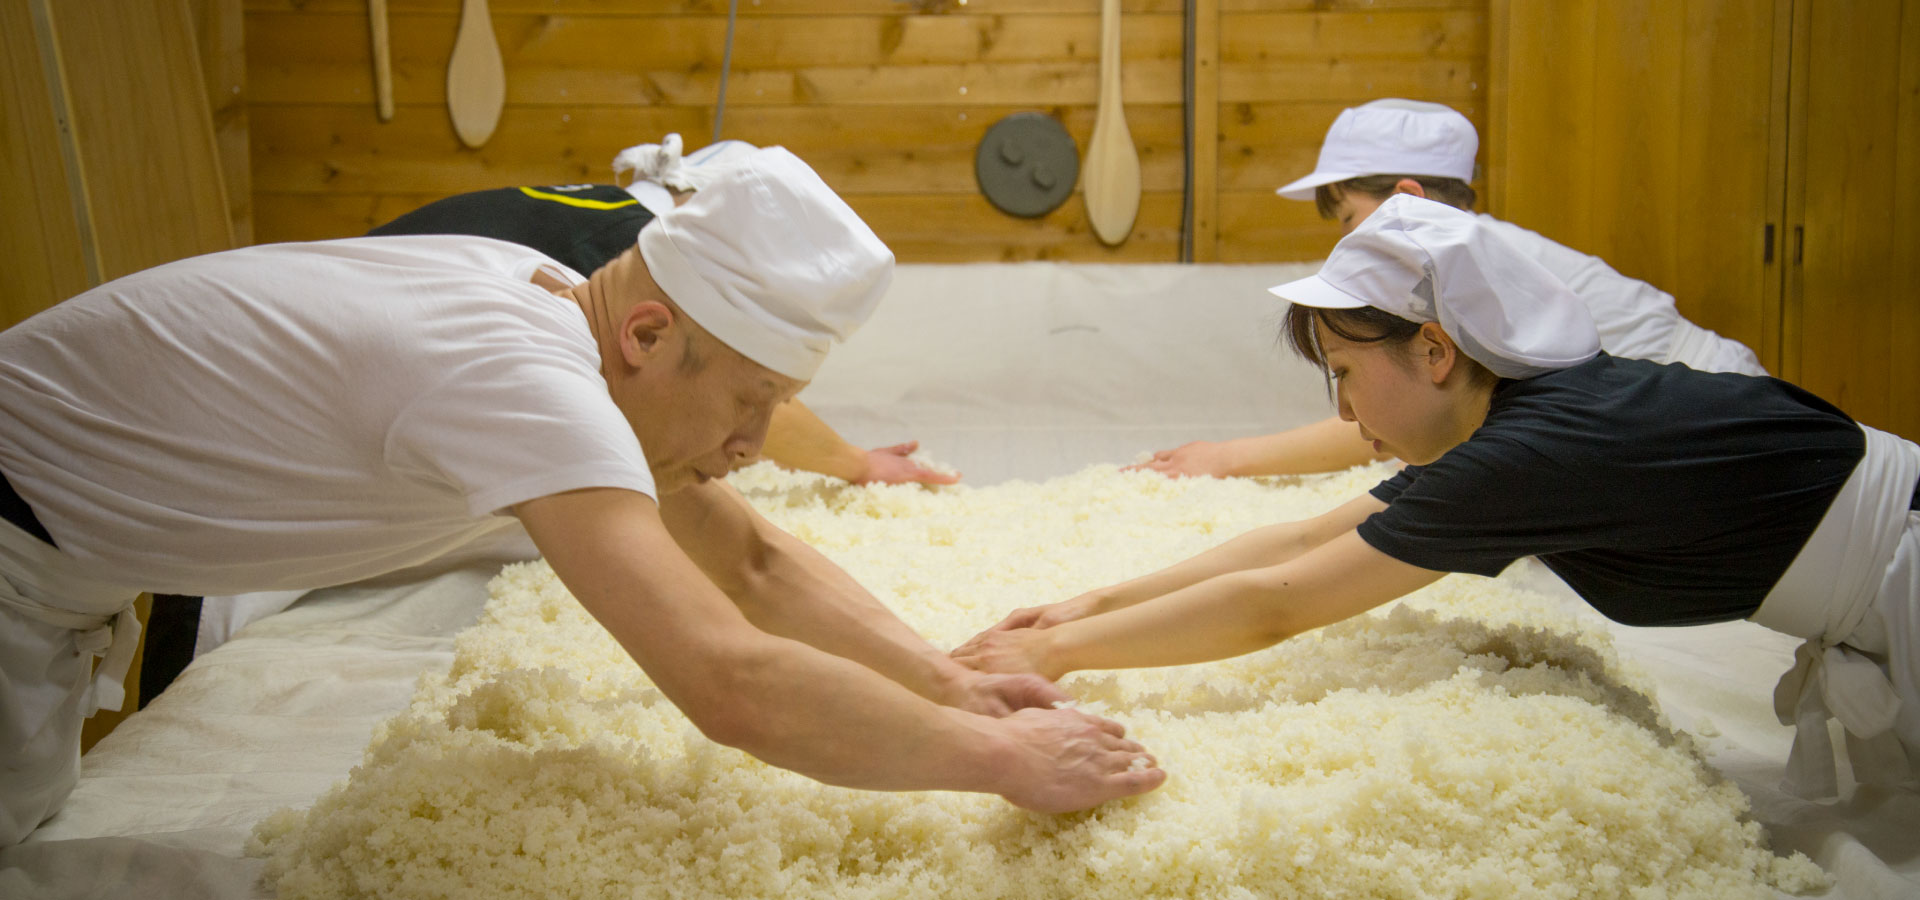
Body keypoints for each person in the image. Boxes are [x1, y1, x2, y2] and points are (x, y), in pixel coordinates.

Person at [0, 147, 1163, 847]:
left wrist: (956, 684)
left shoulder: (554, 305)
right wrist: (1003, 764)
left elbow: (748, 561)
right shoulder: (520, 377)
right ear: (651, 334)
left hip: (60, 564)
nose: (759, 444)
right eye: (751, 401)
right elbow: (730, 680)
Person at [955, 194, 1918, 800]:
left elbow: (1277, 608)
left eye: (1342, 370)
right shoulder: (1523, 426)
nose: (1341, 408)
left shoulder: (1531, 454)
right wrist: (1091, 604)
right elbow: (1299, 539)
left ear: (1435, 349)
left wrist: (1051, 655)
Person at [1135, 99, 1769, 480]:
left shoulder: (1458, 268)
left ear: (1407, 198)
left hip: (1723, 423)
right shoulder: (1466, 253)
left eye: (1349, 218)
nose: (1343, 244)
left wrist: (1227, 457)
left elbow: (1397, 409)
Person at [369, 133, 959, 488]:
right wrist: (856, 464)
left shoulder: (607, 216)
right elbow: (742, 392)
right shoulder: (628, 260)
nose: (745, 442)